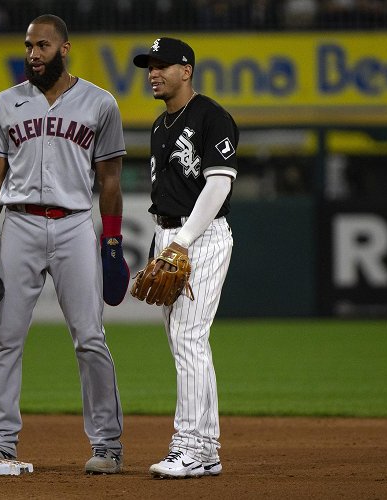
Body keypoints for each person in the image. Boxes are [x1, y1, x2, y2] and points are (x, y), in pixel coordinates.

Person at [0, 14, 125, 474]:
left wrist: (112, 240)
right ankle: (1, 442)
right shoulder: (5, 103)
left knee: (90, 337)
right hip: (19, 226)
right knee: (6, 337)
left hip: (76, 224)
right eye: (28, 46)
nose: (33, 54)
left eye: (42, 46)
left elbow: (110, 179)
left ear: (65, 48)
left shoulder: (100, 103)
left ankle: (108, 446)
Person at [132, 37, 238, 478]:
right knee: (184, 341)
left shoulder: (213, 117)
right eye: (149, 66)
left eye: (162, 65)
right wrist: (165, 242)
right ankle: (205, 448)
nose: (153, 72)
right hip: (168, 233)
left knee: (190, 339)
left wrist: (184, 241)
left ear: (186, 69)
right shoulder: (159, 126)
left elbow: (218, 185)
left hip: (201, 236)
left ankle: (192, 446)